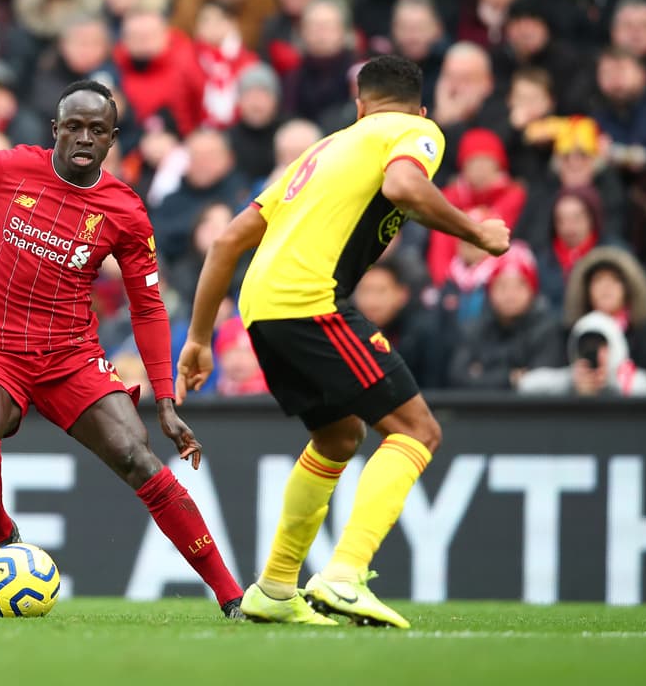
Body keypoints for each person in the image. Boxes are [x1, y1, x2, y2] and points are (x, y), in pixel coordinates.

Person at [176, 55, 510, 627]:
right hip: (311, 301)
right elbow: (403, 184)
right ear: (420, 108)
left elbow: (227, 242)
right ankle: (344, 575)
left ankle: (276, 589)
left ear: (359, 106)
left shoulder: (323, 150)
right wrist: (477, 230)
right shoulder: (415, 131)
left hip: (261, 308)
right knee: (417, 430)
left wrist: (199, 338)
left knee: (337, 437)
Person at [0, 79, 246, 620]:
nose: (83, 137)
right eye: (73, 126)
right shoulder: (9, 168)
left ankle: (232, 596)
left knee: (138, 458)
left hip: (69, 357)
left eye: (96, 129)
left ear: (112, 139)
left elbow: (149, 307)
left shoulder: (125, 211)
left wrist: (165, 398)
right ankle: (4, 535)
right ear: (55, 131)